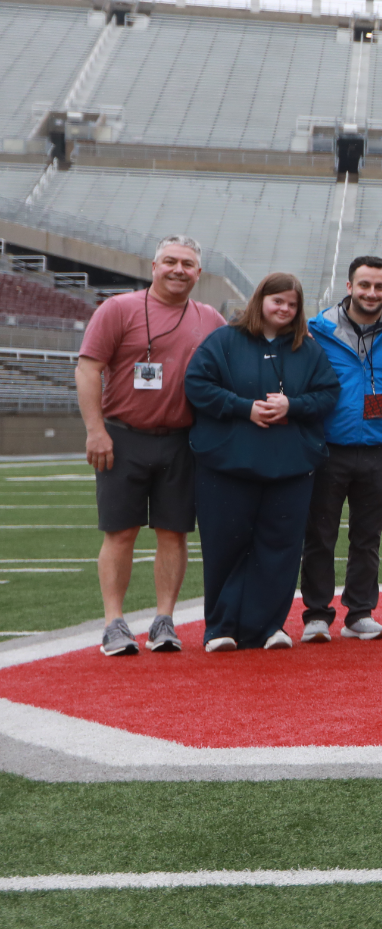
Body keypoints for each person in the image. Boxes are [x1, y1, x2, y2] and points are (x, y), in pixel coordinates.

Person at [75, 235, 226, 656]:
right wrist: (95, 430)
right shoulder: (118, 309)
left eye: (188, 264)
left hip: (181, 440)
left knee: (173, 533)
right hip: (122, 436)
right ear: (154, 266)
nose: (179, 270)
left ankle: (164, 620)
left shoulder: (211, 318)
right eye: (170, 261)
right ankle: (114, 623)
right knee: (120, 532)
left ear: (199, 272)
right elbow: (88, 369)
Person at [182, 273, 339, 651]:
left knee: (281, 547)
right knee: (225, 544)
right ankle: (221, 627)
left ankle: (269, 626)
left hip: (290, 466)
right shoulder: (223, 340)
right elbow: (197, 385)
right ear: (260, 300)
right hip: (227, 464)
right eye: (277, 301)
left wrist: (292, 406)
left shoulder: (307, 349)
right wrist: (243, 407)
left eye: (292, 304)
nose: (284, 309)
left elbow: (328, 393)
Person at [299, 256, 382, 643]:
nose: (371, 293)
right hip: (328, 447)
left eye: (380, 286)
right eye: (364, 285)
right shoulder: (318, 329)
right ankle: (317, 614)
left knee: (367, 537)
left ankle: (360, 612)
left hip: (378, 448)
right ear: (349, 286)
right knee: (320, 535)